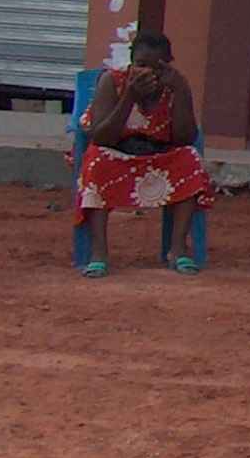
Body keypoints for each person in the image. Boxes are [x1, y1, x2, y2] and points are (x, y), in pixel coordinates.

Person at [74, 30, 214, 277]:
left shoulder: (175, 85)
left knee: (190, 160)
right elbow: (101, 136)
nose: (147, 73)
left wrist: (181, 91)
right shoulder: (112, 82)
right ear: (131, 62)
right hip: (118, 153)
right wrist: (129, 97)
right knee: (95, 161)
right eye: (140, 65)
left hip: (159, 157)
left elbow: (185, 138)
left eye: (156, 67)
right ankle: (98, 252)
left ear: (167, 65)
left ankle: (178, 249)